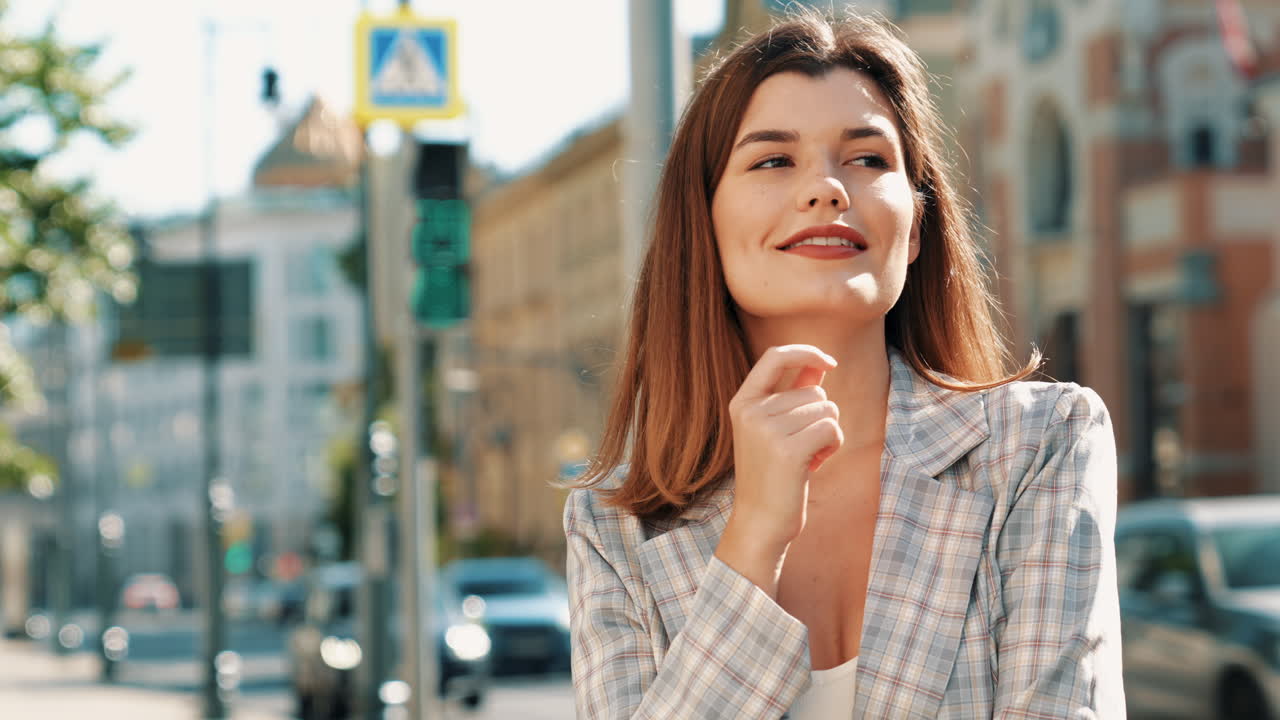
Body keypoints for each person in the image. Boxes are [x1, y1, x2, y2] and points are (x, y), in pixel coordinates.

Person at [563, 9, 1124, 719]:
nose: (826, 189)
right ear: (701, 222)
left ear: (916, 227)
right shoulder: (613, 525)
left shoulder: (1040, 447)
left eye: (867, 158)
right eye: (773, 160)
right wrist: (754, 538)